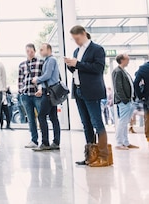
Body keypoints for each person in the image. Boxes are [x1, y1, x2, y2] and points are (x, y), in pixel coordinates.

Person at [65, 25, 111, 167]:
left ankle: (104, 156)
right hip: (79, 90)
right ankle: (91, 156)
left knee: (97, 122)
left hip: (92, 91)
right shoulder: (76, 51)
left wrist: (77, 64)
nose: (76, 42)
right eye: (74, 39)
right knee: (86, 124)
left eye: (77, 38)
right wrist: (70, 65)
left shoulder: (97, 49)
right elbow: (77, 70)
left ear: (84, 34)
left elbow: (98, 68)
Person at [32, 43, 62, 151]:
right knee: (53, 117)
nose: (40, 51)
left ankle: (45, 143)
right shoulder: (47, 60)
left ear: (49, 49)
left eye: (42, 49)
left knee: (41, 116)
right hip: (49, 91)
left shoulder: (51, 60)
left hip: (49, 93)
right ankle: (56, 142)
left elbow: (48, 75)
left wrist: (37, 79)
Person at [18, 43, 44, 148]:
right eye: (27, 51)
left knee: (41, 117)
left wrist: (41, 89)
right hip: (26, 95)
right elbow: (20, 80)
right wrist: (21, 90)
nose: (29, 53)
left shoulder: (41, 63)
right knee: (30, 118)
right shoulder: (22, 65)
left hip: (37, 94)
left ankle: (44, 140)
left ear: (35, 51)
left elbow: (44, 77)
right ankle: (34, 140)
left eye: (31, 51)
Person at [111, 54, 139, 150]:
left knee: (125, 122)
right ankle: (119, 143)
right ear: (122, 60)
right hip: (124, 101)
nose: (129, 60)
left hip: (129, 101)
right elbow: (118, 88)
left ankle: (126, 142)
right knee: (122, 122)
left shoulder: (123, 71)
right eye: (127, 59)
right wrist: (125, 100)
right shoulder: (117, 71)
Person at [134, 58, 149, 142]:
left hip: (147, 97)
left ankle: (148, 137)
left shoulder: (143, 68)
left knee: (147, 118)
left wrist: (140, 96)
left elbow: (136, 83)